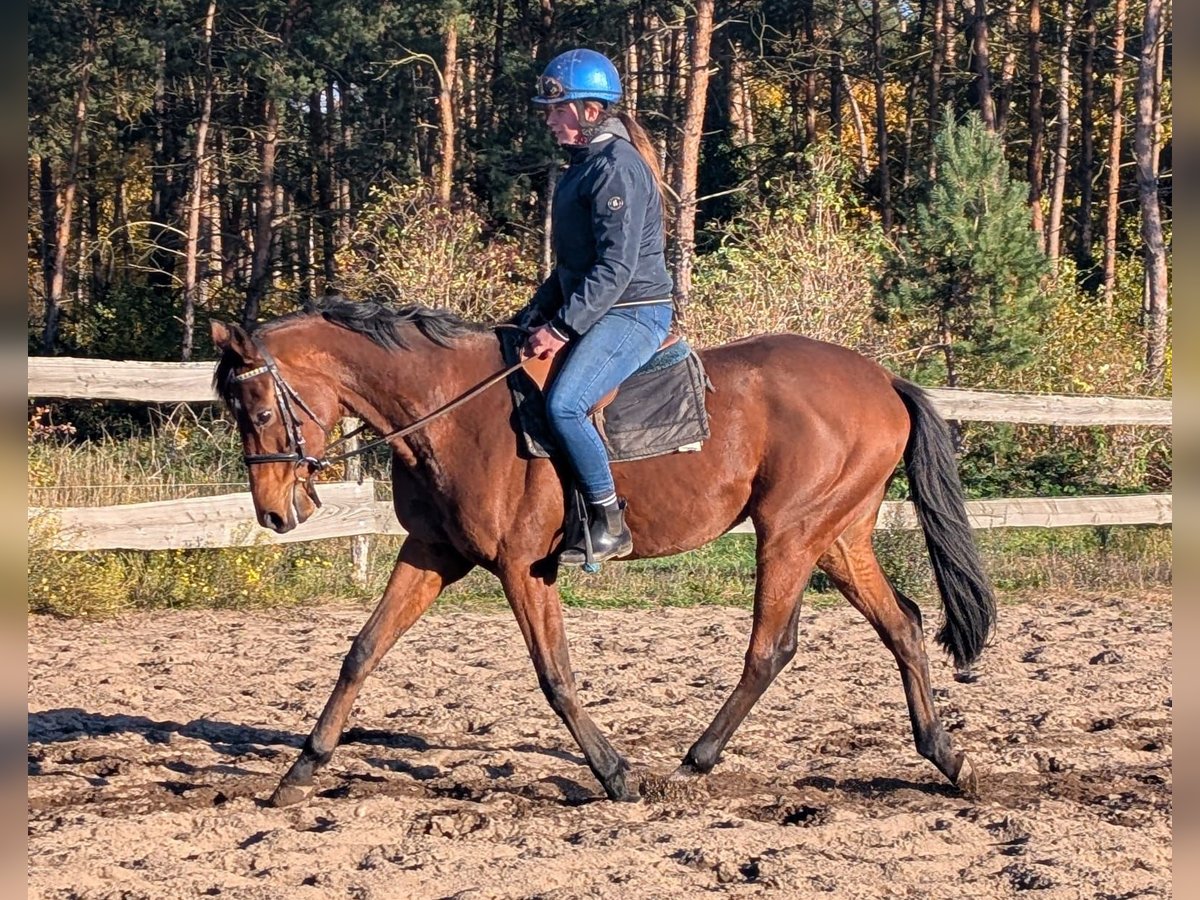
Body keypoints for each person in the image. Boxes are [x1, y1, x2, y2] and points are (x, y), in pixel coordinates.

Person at [516, 48, 674, 565]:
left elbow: (615, 269)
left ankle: (608, 520)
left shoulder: (617, 167)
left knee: (565, 403)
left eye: (557, 110)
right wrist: (531, 315)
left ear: (589, 110)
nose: (550, 120)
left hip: (634, 311)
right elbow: (571, 267)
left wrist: (560, 330)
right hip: (599, 305)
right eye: (548, 111)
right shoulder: (583, 168)